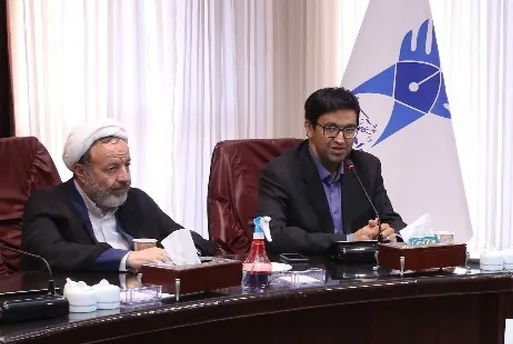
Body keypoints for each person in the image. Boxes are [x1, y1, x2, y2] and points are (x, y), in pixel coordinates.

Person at [21, 118, 213, 272]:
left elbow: (182, 237)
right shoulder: (48, 203)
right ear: (81, 172)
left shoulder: (136, 200)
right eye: (112, 168)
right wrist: (127, 258)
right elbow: (50, 253)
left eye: (127, 165)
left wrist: (187, 253)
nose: (125, 177)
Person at [257, 87, 404, 256]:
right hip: (309, 268)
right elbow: (272, 235)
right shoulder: (280, 172)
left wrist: (390, 233)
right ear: (309, 128)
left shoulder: (367, 167)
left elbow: (391, 220)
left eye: (349, 129)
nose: (341, 140)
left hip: (361, 268)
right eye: (331, 129)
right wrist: (348, 239)